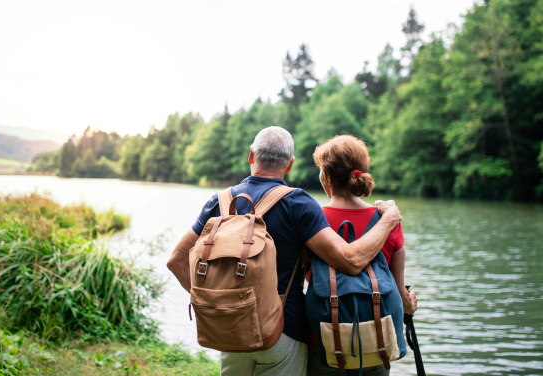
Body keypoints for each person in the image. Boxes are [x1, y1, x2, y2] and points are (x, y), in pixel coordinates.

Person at [167, 126, 403, 376]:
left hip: (229, 329)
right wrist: (388, 220)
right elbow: (350, 259)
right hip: (283, 329)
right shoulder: (298, 203)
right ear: (289, 165)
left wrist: (216, 304)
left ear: (251, 156)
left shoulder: (220, 201)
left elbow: (176, 261)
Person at [307, 135, 418, 376]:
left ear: (325, 177)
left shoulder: (312, 220)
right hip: (376, 337)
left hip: (324, 339)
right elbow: (398, 286)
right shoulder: (389, 219)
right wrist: (409, 306)